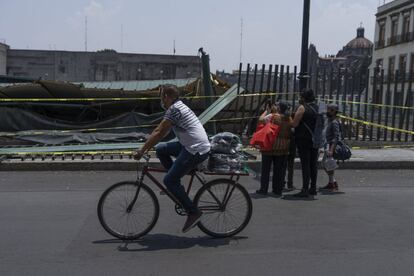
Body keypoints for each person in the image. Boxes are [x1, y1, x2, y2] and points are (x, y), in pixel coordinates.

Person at [134, 84, 211, 233]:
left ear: (167, 97)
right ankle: (174, 186)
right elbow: (159, 131)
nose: (161, 100)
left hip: (196, 149)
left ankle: (193, 212)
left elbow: (159, 132)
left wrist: (141, 150)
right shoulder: (177, 107)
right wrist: (149, 143)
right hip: (189, 144)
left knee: (169, 180)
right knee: (161, 148)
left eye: (162, 96)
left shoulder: (175, 110)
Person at [256, 101, 293, 196]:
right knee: (279, 170)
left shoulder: (273, 116)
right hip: (283, 147)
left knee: (266, 170)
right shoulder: (289, 118)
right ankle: (277, 190)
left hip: (270, 146)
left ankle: (263, 189)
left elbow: (260, 120)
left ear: (279, 108)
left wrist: (266, 111)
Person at [291, 89, 319, 198]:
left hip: (304, 139)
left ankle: (305, 189)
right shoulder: (318, 108)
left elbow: (294, 123)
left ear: (304, 97)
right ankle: (313, 187)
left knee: (305, 164)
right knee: (313, 164)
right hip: (315, 139)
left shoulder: (302, 108)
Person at [320, 104, 341, 192]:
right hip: (326, 145)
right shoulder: (328, 120)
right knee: (326, 164)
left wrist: (331, 149)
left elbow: (336, 137)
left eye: (330, 110)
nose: (327, 111)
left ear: (334, 112)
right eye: (328, 109)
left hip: (330, 146)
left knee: (327, 164)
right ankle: (333, 182)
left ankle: (332, 183)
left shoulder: (334, 122)